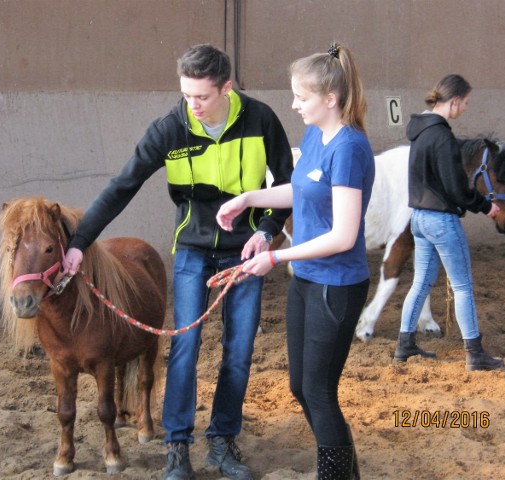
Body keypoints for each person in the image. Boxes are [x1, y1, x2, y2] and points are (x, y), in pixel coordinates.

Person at [62, 44, 293, 480]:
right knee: (185, 347)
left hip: (246, 250)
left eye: (201, 97)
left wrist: (266, 231)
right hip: (192, 251)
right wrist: (79, 241)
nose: (192, 105)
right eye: (186, 95)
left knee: (239, 351)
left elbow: (286, 184)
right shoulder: (170, 128)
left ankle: (223, 440)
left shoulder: (262, 119)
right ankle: (177, 445)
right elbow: (122, 185)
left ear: (226, 87)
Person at [217, 42, 373, 480]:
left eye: (301, 97)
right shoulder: (315, 134)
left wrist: (276, 255)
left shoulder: (349, 148)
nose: (293, 104)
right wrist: (248, 198)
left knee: (319, 392)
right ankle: (346, 471)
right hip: (306, 278)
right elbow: (300, 191)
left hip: (336, 284)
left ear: (330, 99)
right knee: (301, 388)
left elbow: (342, 235)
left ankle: (335, 475)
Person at [393, 74, 505, 371]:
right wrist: (484, 206)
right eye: (465, 102)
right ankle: (475, 353)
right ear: (454, 101)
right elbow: (457, 188)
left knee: (420, 282)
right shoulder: (442, 137)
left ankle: (404, 345)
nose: (465, 108)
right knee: (463, 286)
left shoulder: (419, 132)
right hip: (441, 220)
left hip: (418, 217)